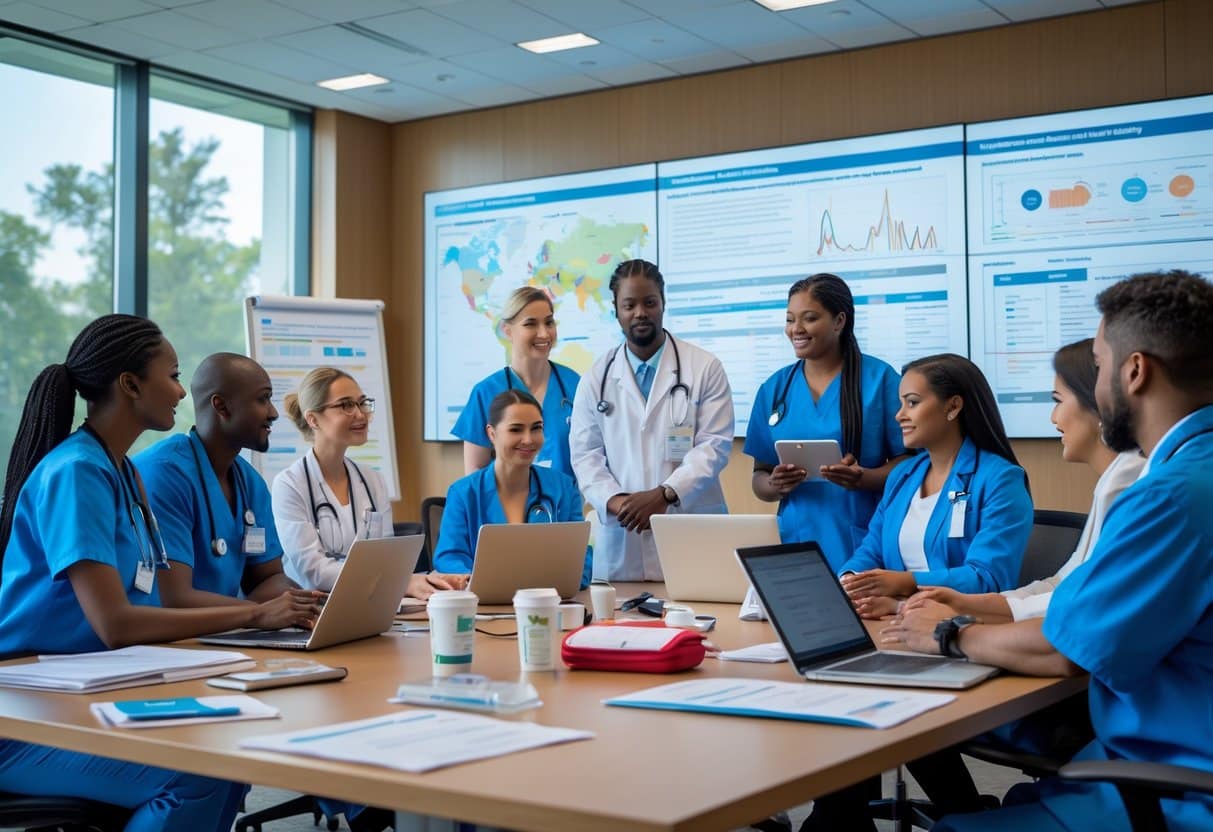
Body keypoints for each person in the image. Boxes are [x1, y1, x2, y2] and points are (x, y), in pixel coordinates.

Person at [883, 270, 1213, 832]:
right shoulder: (1190, 475)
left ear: (1135, 372)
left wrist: (947, 634)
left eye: (1102, 366)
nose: (1096, 383)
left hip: (1172, 788)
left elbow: (1067, 648)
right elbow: (1073, 607)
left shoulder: (1169, 496)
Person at [0, 314, 320, 832]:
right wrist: (255, 614)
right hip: (25, 714)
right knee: (198, 774)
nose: (179, 390)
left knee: (229, 754)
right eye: (171, 375)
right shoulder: (77, 471)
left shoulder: (122, 470)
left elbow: (147, 600)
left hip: (94, 688)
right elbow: (117, 623)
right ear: (129, 384)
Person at [905, 339, 1144, 624]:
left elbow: (1084, 602)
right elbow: (1063, 583)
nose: (1053, 417)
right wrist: (970, 604)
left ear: (1100, 403)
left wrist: (966, 615)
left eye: (1057, 401)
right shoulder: (1114, 479)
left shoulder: (1129, 483)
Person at [570, 259, 735, 581]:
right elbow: (585, 456)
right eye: (629, 304)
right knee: (622, 628)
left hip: (690, 531)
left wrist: (665, 494)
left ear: (663, 304)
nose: (640, 313)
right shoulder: (595, 379)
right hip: (622, 539)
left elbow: (714, 446)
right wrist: (618, 503)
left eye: (649, 302)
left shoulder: (704, 368)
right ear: (616, 310)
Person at [838, 353, 1033, 620]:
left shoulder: (1001, 480)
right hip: (896, 620)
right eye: (900, 404)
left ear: (953, 407)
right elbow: (871, 549)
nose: (899, 415)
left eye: (912, 403)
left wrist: (905, 582)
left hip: (966, 629)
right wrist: (850, 581)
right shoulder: (903, 475)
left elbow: (988, 578)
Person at [744, 273, 908, 571]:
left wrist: (864, 478)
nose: (796, 329)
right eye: (790, 319)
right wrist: (775, 484)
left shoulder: (879, 380)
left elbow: (912, 464)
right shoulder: (774, 389)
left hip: (862, 539)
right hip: (793, 541)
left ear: (839, 321)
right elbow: (759, 478)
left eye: (809, 318)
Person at [272, 367, 462, 597]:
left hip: (368, 601)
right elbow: (313, 571)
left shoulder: (373, 481)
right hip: (311, 612)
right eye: (346, 405)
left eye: (362, 403)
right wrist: (399, 583)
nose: (361, 414)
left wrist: (423, 579)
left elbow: (385, 557)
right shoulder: (290, 484)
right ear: (313, 419)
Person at [137, 353, 295, 604]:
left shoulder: (250, 482)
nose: (273, 412)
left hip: (224, 632)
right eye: (263, 399)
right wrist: (258, 614)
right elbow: (174, 600)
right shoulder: (163, 474)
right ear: (221, 406)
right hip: (171, 640)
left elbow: (267, 578)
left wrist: (310, 601)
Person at [433, 389, 592, 588]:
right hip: (483, 606)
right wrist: (478, 580)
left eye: (536, 428)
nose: (528, 439)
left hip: (546, 603)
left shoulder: (563, 488)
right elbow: (450, 557)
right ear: (491, 433)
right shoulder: (463, 493)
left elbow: (581, 561)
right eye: (516, 429)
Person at [452, 286, 581, 482]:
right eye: (531, 324)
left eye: (549, 322)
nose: (544, 333)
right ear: (507, 331)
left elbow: (590, 457)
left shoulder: (574, 385)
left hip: (563, 508)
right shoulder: (486, 392)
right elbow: (475, 470)